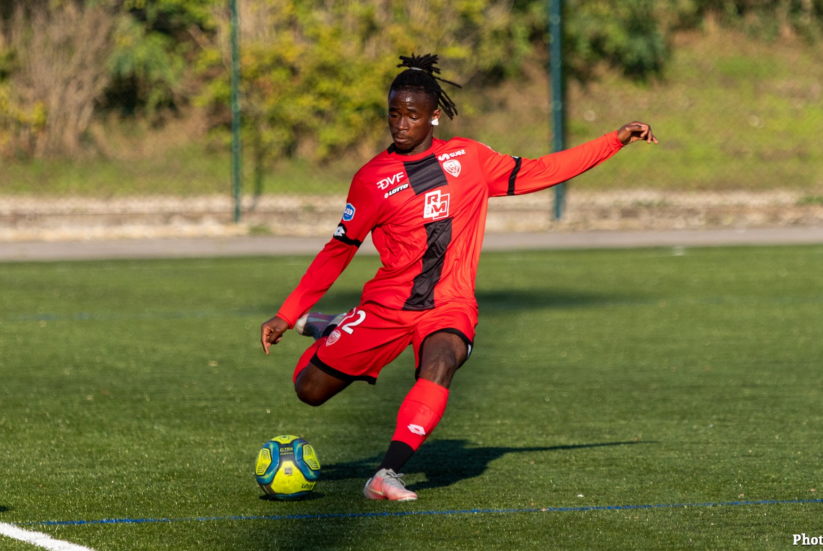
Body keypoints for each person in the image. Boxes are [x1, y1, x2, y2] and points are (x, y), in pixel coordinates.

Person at [260, 53, 657, 502]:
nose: (401, 123)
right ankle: (329, 323)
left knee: (441, 361)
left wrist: (615, 140)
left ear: (434, 115)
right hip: (387, 306)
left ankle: (387, 474)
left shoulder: (469, 159)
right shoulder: (371, 179)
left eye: (412, 115)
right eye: (394, 113)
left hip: (449, 303)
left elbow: (543, 171)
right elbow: (338, 251)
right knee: (309, 391)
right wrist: (287, 311)